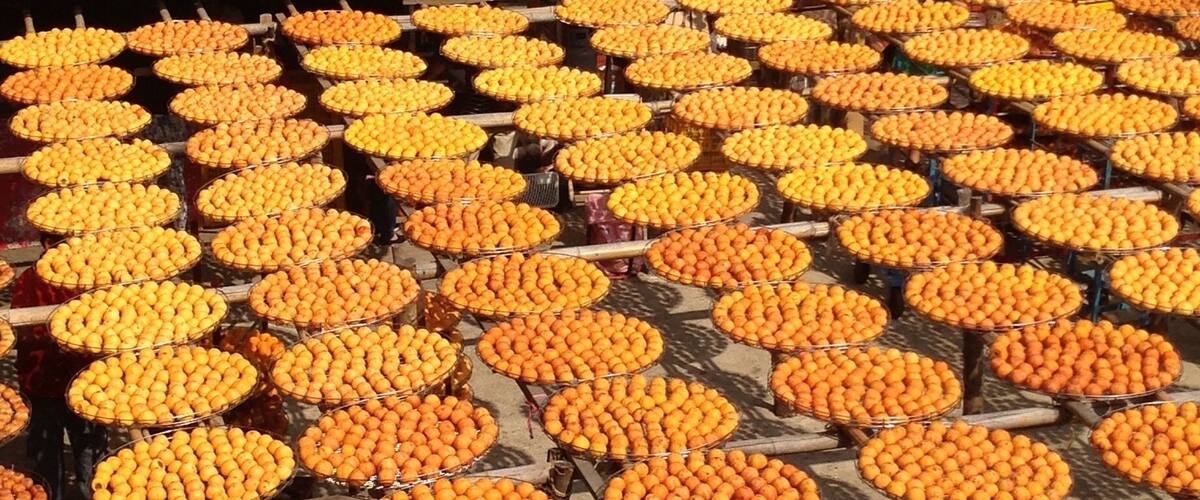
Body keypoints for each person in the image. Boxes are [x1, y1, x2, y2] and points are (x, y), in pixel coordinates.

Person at [11, 264, 107, 500]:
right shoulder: (30, 281)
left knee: (93, 468)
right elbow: (19, 330)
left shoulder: (91, 278)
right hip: (45, 383)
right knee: (49, 466)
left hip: (85, 386)